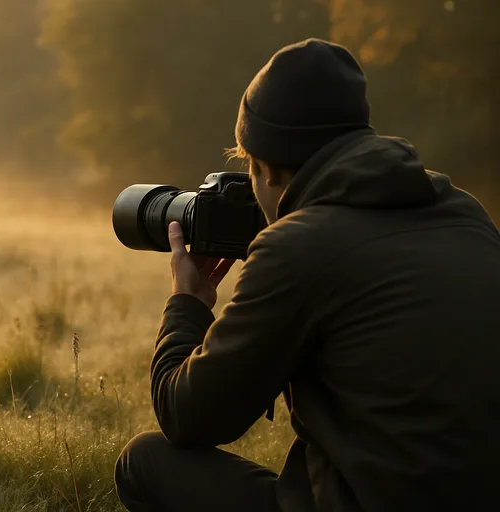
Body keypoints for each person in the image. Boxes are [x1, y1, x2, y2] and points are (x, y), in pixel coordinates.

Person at [113, 37, 500, 512]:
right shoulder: (465, 212)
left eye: (250, 170)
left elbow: (187, 416)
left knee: (144, 462)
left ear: (269, 171)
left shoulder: (299, 246)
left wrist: (186, 305)